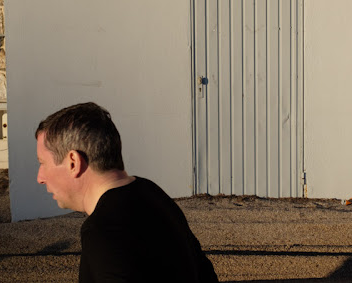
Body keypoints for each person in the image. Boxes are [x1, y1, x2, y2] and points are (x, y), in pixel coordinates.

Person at [36, 102, 218, 282]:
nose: (40, 177)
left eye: (42, 163)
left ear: (73, 163)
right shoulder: (151, 192)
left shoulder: (103, 231)